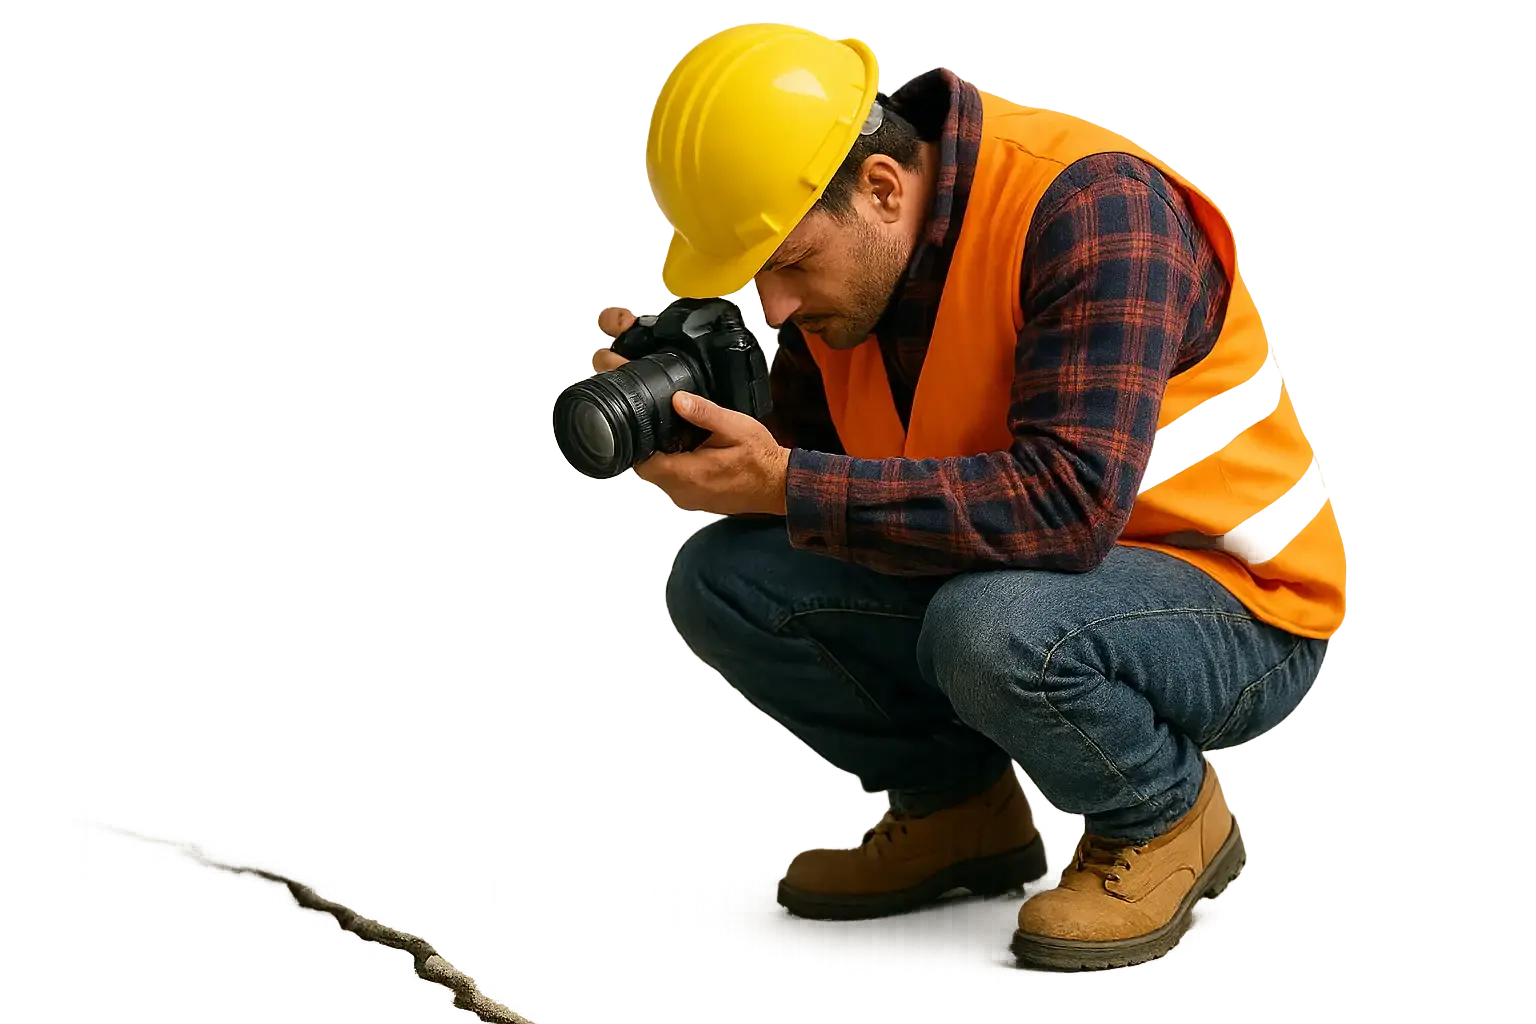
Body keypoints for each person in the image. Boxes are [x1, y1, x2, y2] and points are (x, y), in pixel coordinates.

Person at [587, 20, 1349, 973]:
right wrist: (694, 402)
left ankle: (1165, 816)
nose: (774, 307)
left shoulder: (1096, 209)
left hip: (1233, 600)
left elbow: (1066, 506)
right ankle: (959, 814)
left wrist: (783, 481)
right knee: (727, 578)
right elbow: (849, 468)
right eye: (755, 278)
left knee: (987, 626)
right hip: (1034, 575)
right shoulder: (866, 266)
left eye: (786, 263)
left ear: (880, 187)